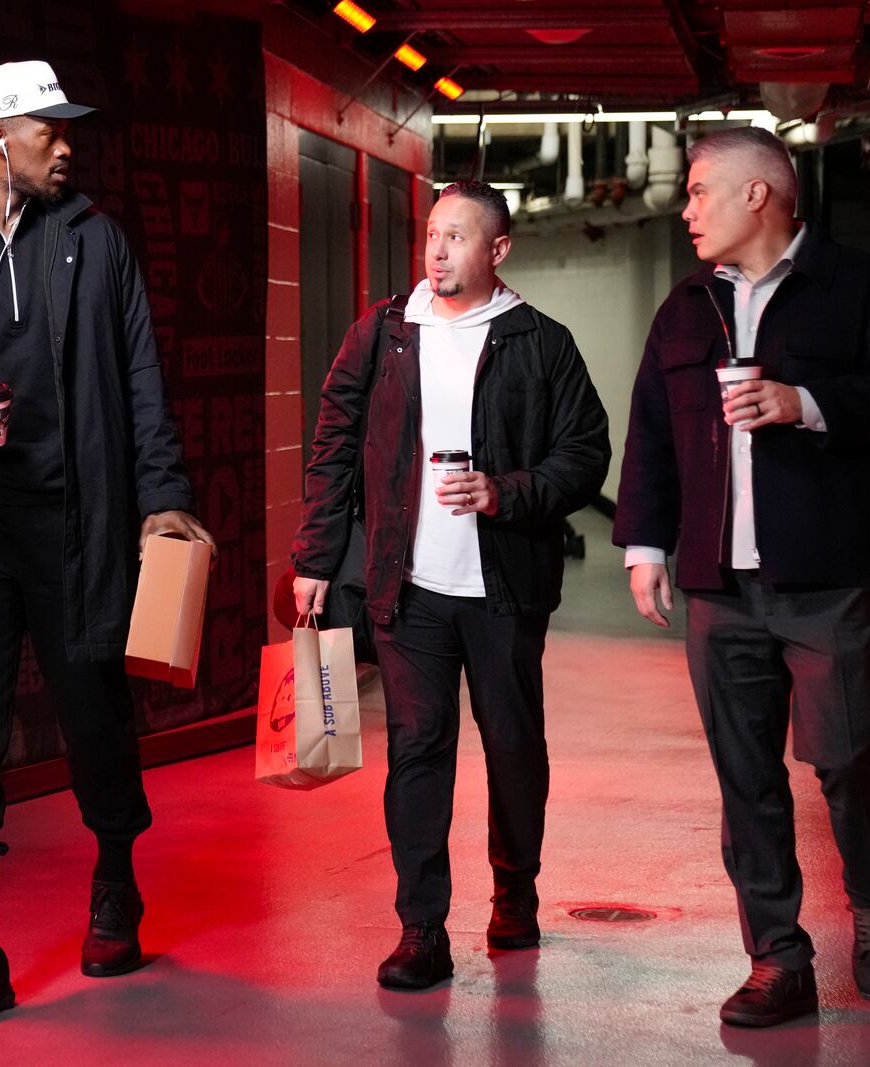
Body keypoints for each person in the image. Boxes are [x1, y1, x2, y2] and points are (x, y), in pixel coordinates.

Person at [0, 59, 213, 1028]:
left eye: (67, 130)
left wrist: (163, 497)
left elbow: (141, 375)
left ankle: (114, 884)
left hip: (76, 523)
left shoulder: (94, 243)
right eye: (48, 130)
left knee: (96, 723)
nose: (67, 144)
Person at [614, 127, 870, 1028]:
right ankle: (776, 957)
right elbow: (651, 431)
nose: (686, 208)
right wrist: (644, 544)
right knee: (744, 773)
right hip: (721, 583)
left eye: (700, 190)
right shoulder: (685, 307)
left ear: (761, 194)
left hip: (829, 577)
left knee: (844, 756)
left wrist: (806, 403)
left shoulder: (859, 290)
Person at [292, 181, 610, 990]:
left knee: (512, 746)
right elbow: (333, 444)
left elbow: (585, 455)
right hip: (410, 587)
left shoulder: (540, 341)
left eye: (458, 237)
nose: (437, 252)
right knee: (418, 749)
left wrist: (505, 491)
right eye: (432, 235)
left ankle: (515, 889)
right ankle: (421, 926)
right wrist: (317, 558)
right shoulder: (385, 332)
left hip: (503, 588)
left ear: (497, 250)